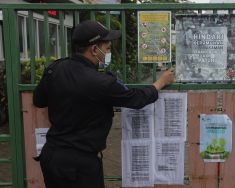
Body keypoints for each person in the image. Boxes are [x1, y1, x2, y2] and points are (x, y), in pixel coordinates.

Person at [33, 20, 175, 188]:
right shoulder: (100, 83)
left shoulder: (54, 69)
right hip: (80, 164)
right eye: (107, 48)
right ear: (94, 49)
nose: (108, 52)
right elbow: (136, 99)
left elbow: (39, 101)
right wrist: (160, 83)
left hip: (52, 157)